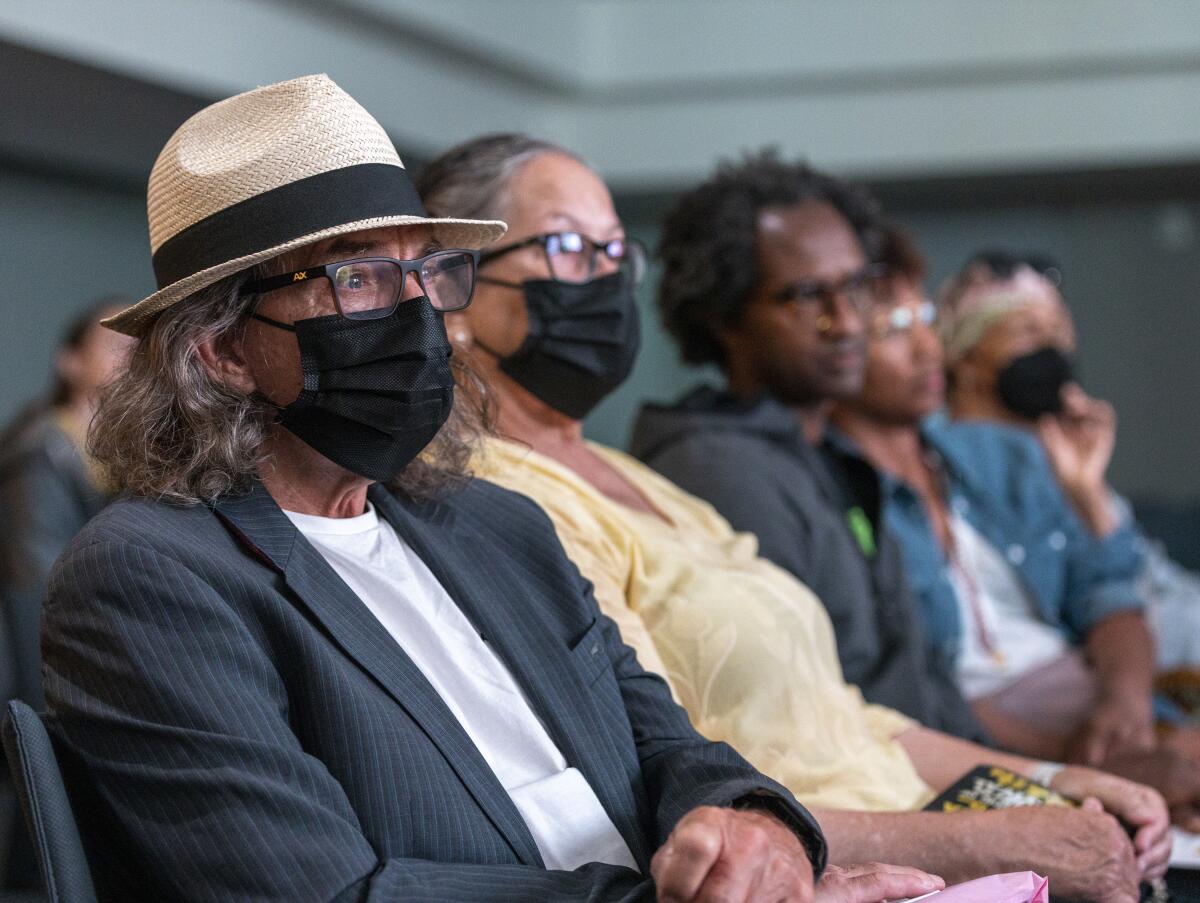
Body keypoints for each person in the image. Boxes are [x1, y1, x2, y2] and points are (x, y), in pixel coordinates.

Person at [39, 75, 854, 903]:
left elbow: (671, 747)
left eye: (426, 270)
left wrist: (757, 827)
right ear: (224, 349)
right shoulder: (146, 575)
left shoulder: (496, 524)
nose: (417, 312)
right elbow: (323, 893)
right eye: (358, 279)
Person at [418, 133, 1170, 902]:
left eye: (618, 250)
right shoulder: (494, 502)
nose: (607, 277)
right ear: (453, 288)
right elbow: (650, 788)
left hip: (928, 831)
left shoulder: (640, 478)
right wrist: (987, 840)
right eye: (572, 247)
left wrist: (1046, 780)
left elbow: (848, 716)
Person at [828, 227, 1200, 830]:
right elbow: (902, 694)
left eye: (925, 318)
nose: (927, 347)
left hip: (1100, 700)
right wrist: (1075, 765)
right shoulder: (834, 496)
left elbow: (1106, 587)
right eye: (894, 329)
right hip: (988, 740)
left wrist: (1125, 703)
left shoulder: (1000, 455)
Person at [633, 151, 982, 741]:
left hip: (939, 781)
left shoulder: (829, 453)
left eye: (855, 287)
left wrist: (1043, 782)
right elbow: (808, 728)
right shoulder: (718, 468)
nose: (846, 321)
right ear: (725, 318)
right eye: (805, 297)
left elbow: (925, 685)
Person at [939, 251, 1200, 674]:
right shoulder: (953, 457)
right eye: (1027, 330)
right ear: (964, 359)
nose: (1052, 347)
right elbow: (1091, 601)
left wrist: (1088, 491)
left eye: (1060, 330)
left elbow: (1145, 579)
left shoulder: (1059, 448)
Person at [0, 298, 132, 892]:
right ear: (69, 361)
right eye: (112, 345)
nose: (129, 359)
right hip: (55, 683)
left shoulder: (115, 455)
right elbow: (35, 589)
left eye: (138, 349)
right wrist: (51, 714)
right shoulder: (42, 454)